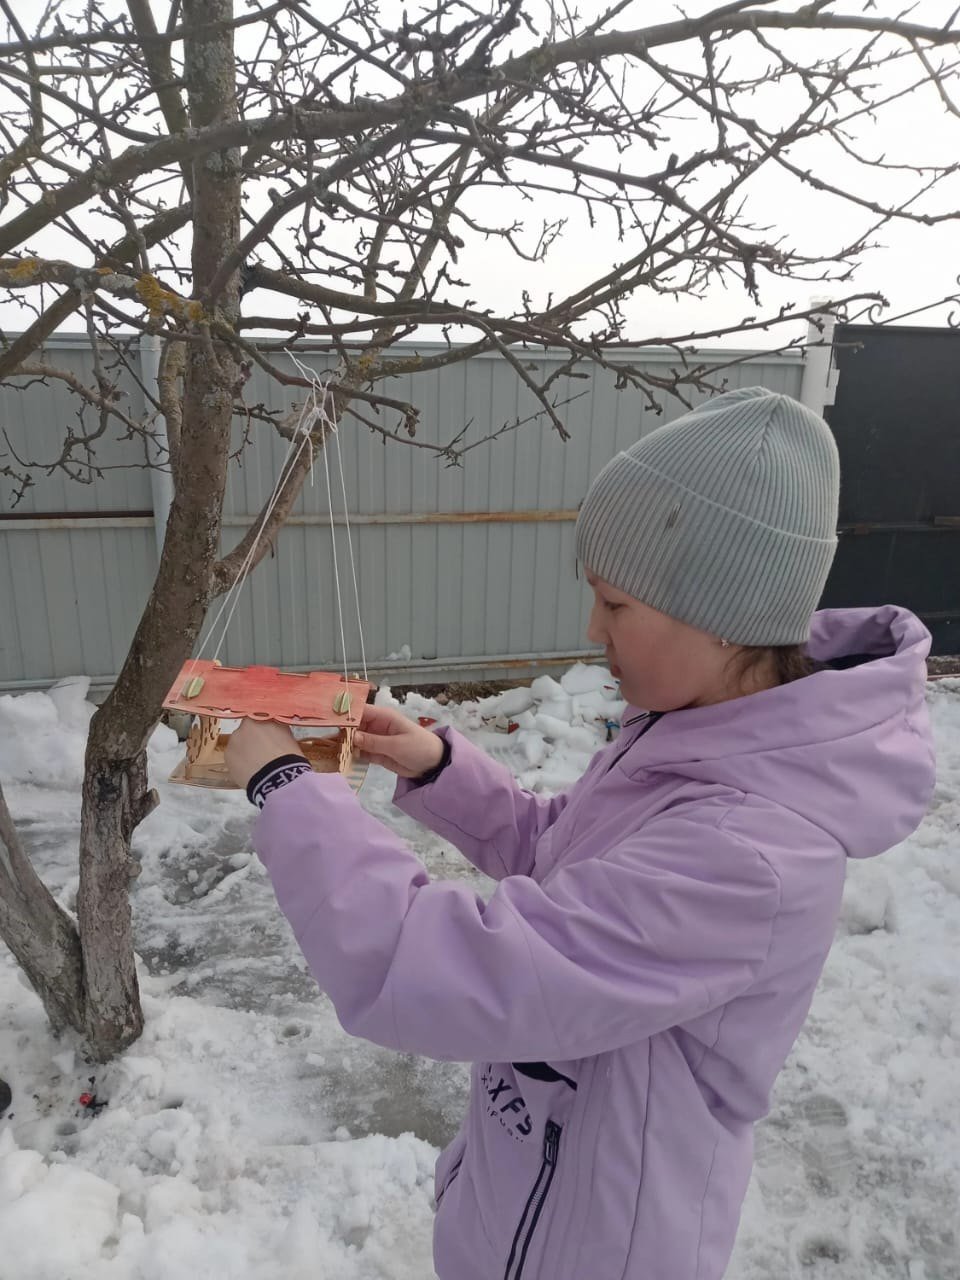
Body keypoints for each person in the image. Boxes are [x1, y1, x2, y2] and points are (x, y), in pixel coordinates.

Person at [225, 387, 936, 1280]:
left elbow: (443, 968)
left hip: (596, 1248)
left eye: (616, 603)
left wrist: (287, 786)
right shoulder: (688, 739)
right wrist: (438, 769)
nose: (591, 628)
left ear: (725, 618)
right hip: (528, 1198)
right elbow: (565, 862)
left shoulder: (748, 856)